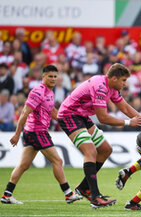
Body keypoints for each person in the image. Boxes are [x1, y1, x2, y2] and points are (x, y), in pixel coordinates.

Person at [57, 63, 141, 209]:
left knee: (105, 149)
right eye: (123, 80)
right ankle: (95, 197)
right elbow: (102, 118)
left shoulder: (111, 87)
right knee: (90, 151)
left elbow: (125, 107)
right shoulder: (100, 87)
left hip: (81, 116)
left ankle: (83, 188)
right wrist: (129, 123)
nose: (125, 84)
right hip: (69, 115)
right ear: (114, 78)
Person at [1, 65, 82, 204]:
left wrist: (68, 122)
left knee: (23, 165)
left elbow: (52, 111)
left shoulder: (50, 92)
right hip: (37, 131)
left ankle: (7, 195)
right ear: (43, 76)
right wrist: (16, 134)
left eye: (55, 76)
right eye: (50, 76)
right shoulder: (38, 92)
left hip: (33, 132)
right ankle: (68, 194)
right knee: (58, 161)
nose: (53, 79)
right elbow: (24, 113)